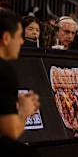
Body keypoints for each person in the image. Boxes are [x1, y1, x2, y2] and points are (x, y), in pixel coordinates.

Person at [0, 9, 40, 155]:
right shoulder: (4, 71)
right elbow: (11, 132)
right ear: (6, 38)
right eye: (18, 36)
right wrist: (25, 110)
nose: (22, 41)